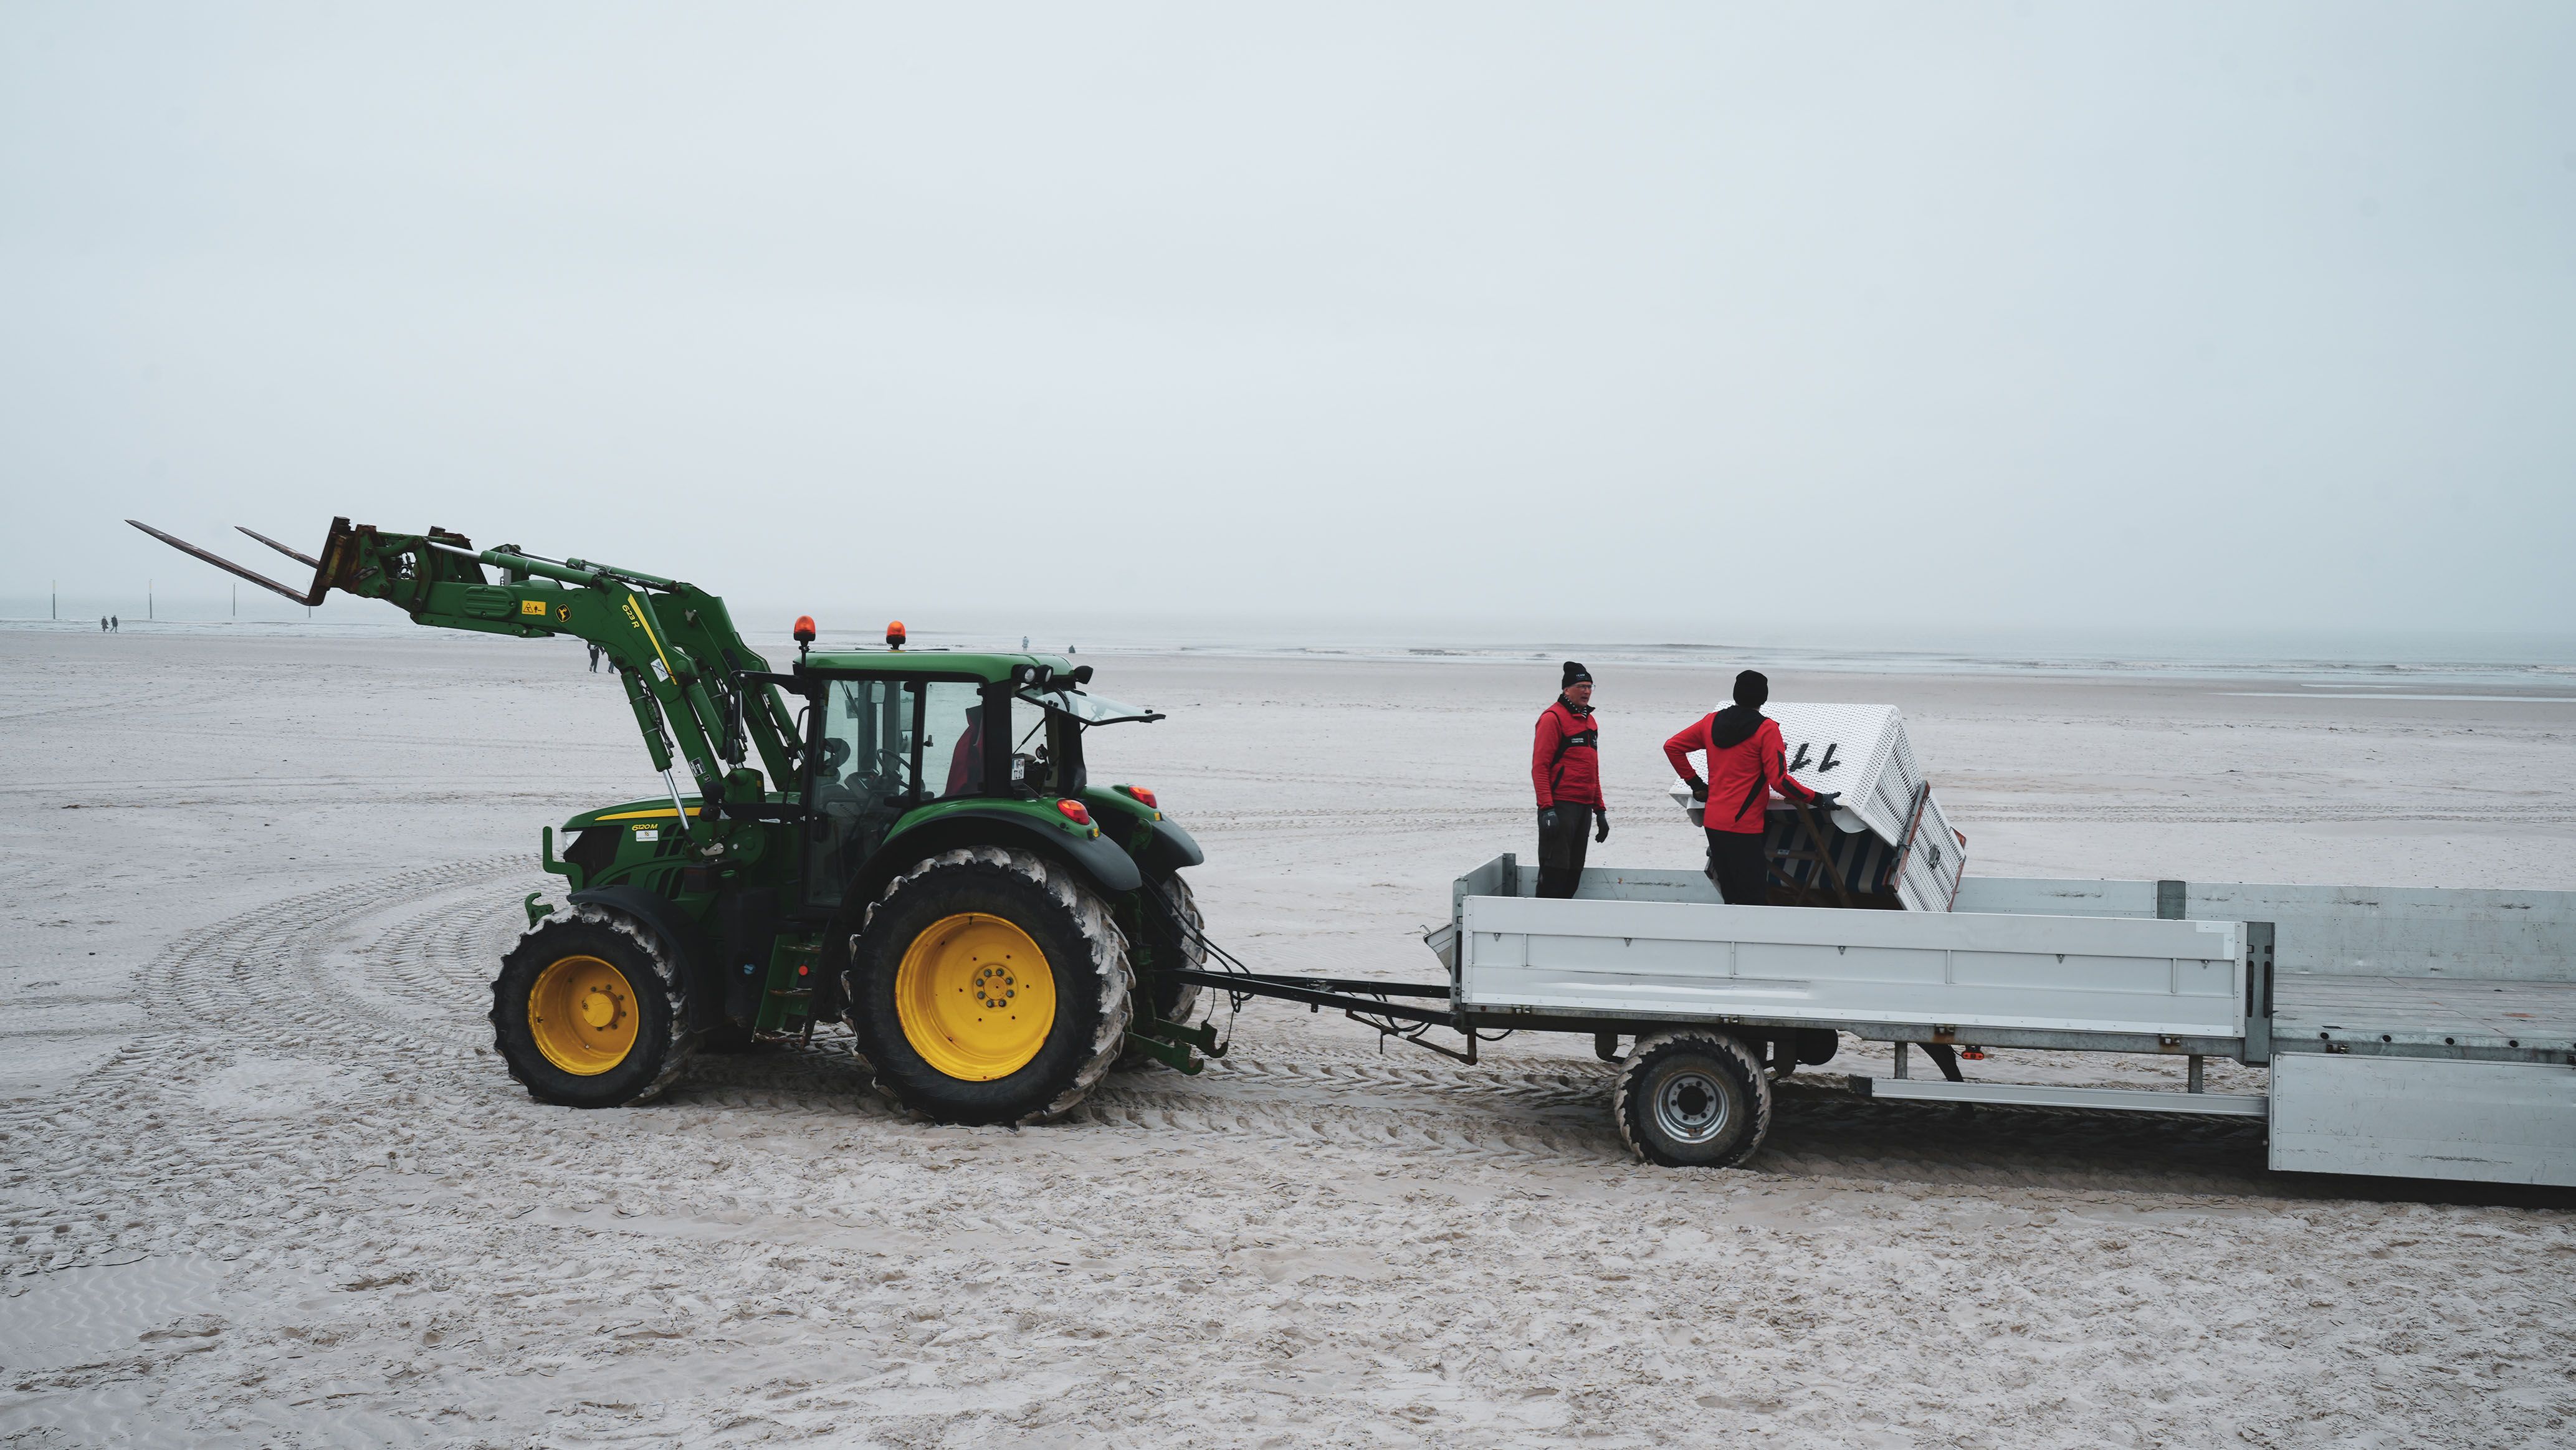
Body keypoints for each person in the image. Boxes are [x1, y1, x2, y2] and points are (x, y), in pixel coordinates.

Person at [1663, 670, 1838, 906]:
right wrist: (1818, 798)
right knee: (1753, 896)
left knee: (1730, 891)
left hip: (1714, 821)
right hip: (1744, 826)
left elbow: (1672, 747)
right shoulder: (1766, 730)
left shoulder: (1710, 722)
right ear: (1763, 698)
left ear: (1735, 694)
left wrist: (1695, 784)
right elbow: (1780, 781)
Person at [1532, 661, 1607, 899]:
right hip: (1560, 806)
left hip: (1583, 808)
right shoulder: (1552, 718)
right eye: (1580, 686)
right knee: (1555, 873)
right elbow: (1540, 767)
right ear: (1566, 689)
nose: (1586, 691)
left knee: (1574, 872)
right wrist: (1547, 809)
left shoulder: (1589, 722)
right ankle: (1542, 925)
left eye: (1589, 686)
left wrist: (1600, 811)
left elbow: (1592, 769)